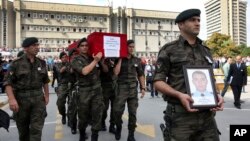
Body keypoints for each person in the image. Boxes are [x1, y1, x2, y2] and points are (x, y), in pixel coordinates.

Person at [153, 9, 223, 141]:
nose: (197, 23)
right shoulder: (169, 50)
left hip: (207, 118)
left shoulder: (206, 51)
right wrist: (179, 95)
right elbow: (158, 81)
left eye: (199, 20)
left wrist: (216, 94)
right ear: (181, 25)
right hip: (180, 118)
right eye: (192, 20)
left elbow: (210, 79)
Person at [4, 37, 50, 141]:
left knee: (36, 130)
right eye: (34, 45)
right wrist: (11, 99)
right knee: (23, 132)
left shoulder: (42, 63)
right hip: (21, 101)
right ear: (26, 48)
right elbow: (7, 83)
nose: (37, 47)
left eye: (37, 45)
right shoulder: (16, 64)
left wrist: (46, 95)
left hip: (38, 100)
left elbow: (45, 81)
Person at [71, 38, 104, 141]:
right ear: (78, 48)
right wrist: (95, 61)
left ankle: (95, 136)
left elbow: (105, 70)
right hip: (84, 91)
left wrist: (101, 61)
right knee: (83, 115)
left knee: (97, 114)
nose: (85, 47)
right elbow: (85, 71)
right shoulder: (75, 60)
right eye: (82, 45)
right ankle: (82, 133)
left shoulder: (92, 57)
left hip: (96, 90)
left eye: (86, 45)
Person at [113, 39, 145, 141]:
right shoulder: (118, 59)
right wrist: (121, 59)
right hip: (121, 89)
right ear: (125, 47)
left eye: (133, 47)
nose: (131, 49)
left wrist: (143, 87)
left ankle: (131, 134)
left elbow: (140, 74)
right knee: (117, 111)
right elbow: (116, 72)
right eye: (129, 46)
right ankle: (118, 127)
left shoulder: (136, 60)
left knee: (133, 113)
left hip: (132, 90)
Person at [99, 58, 117, 134]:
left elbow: (117, 72)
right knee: (104, 108)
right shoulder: (100, 59)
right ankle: (102, 121)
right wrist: (102, 61)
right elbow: (105, 70)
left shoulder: (114, 59)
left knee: (115, 108)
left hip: (114, 86)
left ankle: (112, 125)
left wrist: (113, 63)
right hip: (104, 86)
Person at [56, 52, 71, 125]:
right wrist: (68, 64)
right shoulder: (58, 65)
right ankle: (63, 115)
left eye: (66, 57)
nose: (65, 58)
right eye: (63, 57)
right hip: (62, 85)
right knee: (60, 103)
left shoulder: (71, 63)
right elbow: (61, 70)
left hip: (71, 85)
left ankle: (70, 118)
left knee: (71, 104)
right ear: (61, 58)